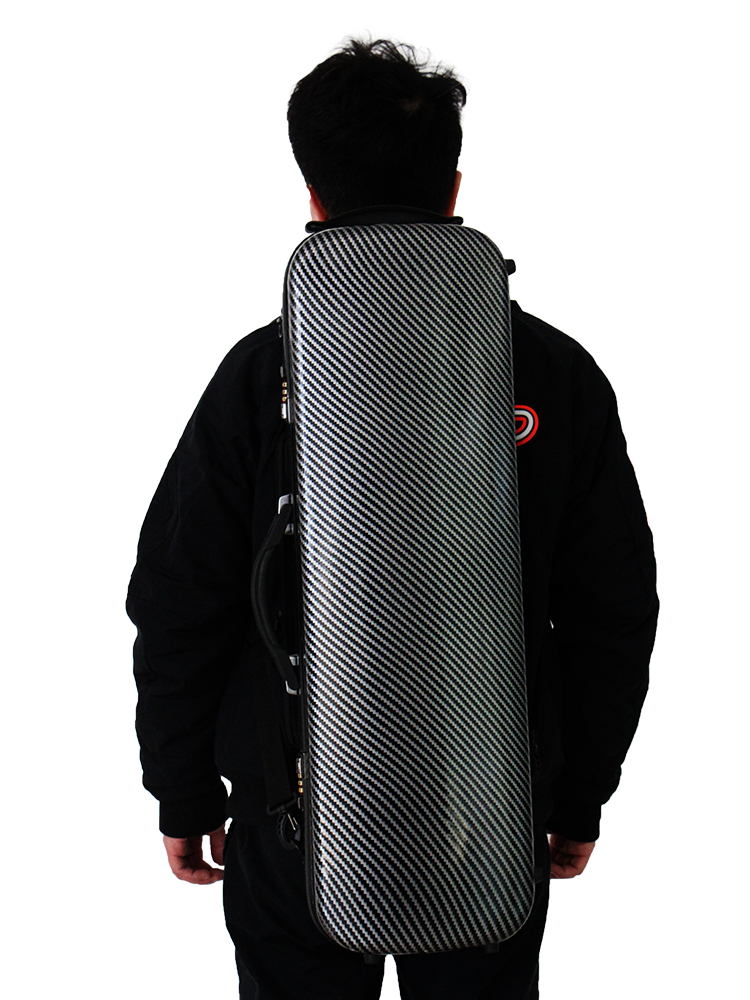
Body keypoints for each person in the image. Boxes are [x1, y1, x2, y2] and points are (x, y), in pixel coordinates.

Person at [127, 38, 658, 999]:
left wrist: (183, 787)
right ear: (453, 190)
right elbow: (611, 611)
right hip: (488, 814)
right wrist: (581, 795)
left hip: (295, 821)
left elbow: (179, 599)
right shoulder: (554, 375)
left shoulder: (260, 377)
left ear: (313, 196)